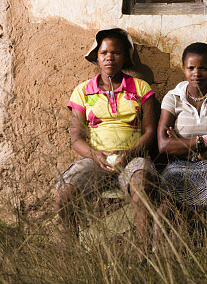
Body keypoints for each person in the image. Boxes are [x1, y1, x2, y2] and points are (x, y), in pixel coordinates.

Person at [55, 28, 158, 247]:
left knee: (142, 184)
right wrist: (96, 155)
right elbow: (76, 139)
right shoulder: (83, 91)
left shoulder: (141, 88)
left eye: (116, 53)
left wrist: (128, 154)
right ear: (97, 57)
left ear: (125, 57)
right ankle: (71, 248)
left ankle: (143, 253)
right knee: (64, 193)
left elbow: (149, 133)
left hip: (132, 158)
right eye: (104, 53)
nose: (109, 57)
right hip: (95, 160)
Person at [156, 42, 207, 245]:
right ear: (183, 69)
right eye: (191, 68)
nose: (197, 73)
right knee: (164, 209)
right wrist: (205, 140)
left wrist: (187, 146)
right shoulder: (173, 98)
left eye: (203, 68)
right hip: (178, 165)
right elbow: (163, 145)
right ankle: (157, 257)